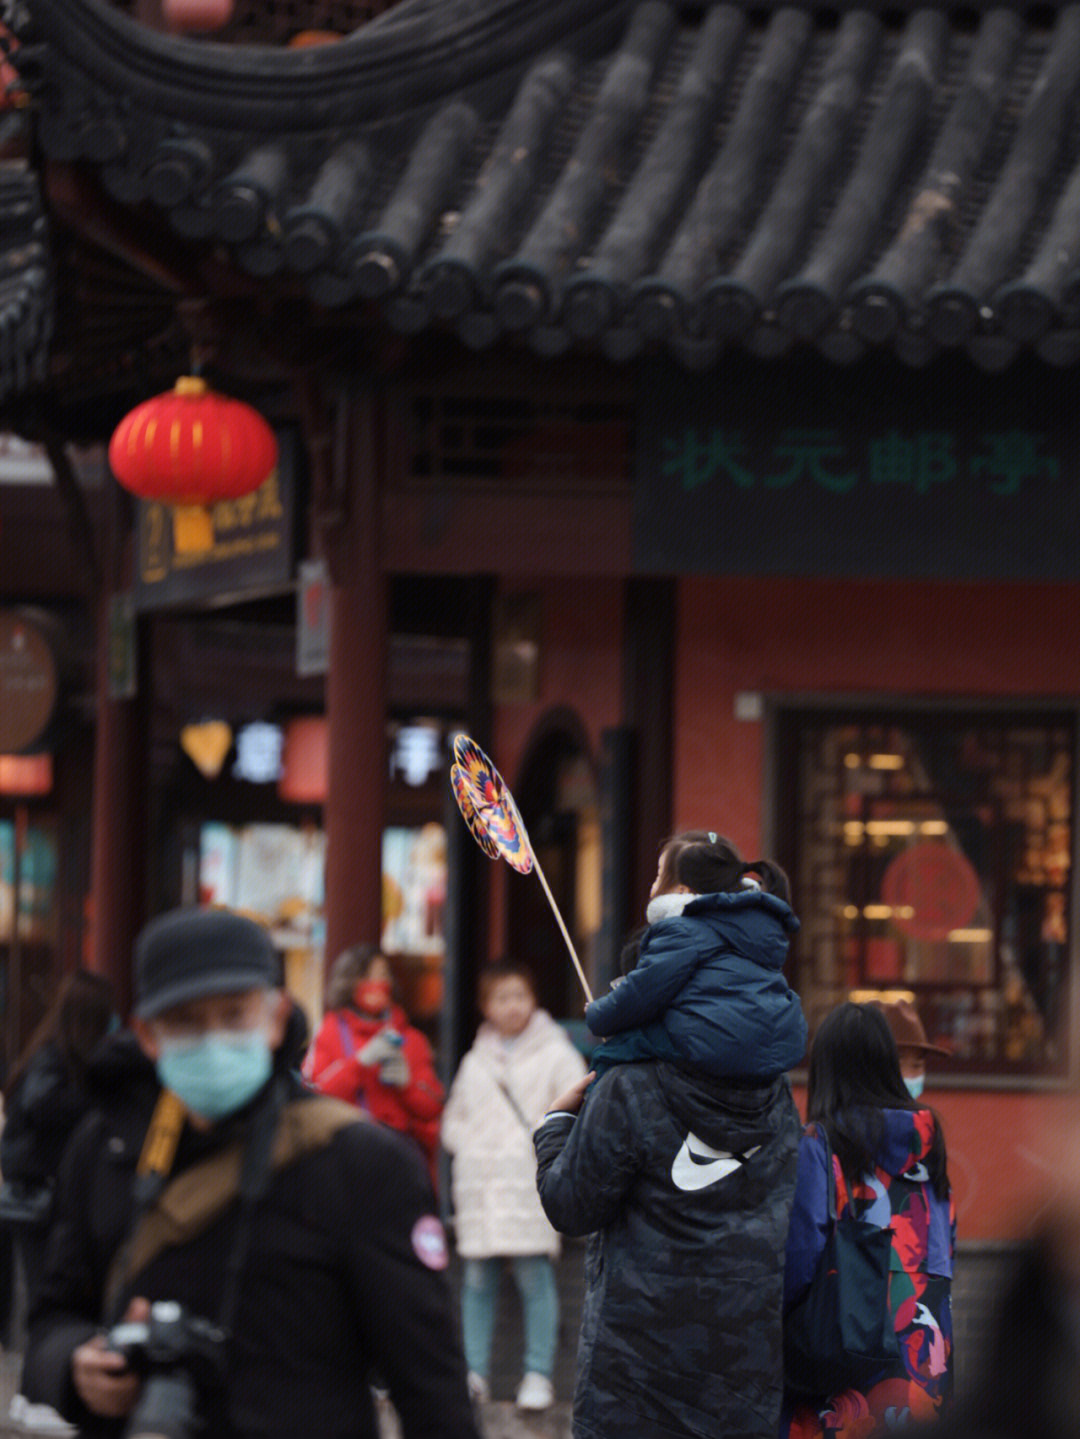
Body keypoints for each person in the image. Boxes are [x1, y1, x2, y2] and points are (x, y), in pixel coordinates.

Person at [19, 906, 480, 1439]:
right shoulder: (104, 1148)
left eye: (233, 1014)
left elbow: (431, 1384)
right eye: (186, 1021)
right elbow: (50, 1320)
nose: (212, 1039)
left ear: (276, 1017)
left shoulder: (359, 1163)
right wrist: (76, 1365)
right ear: (147, 1034)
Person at [534, 946, 802, 1437]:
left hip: (634, 1381)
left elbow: (569, 1205)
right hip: (743, 1378)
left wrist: (556, 1125)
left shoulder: (629, 1087)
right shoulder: (775, 1094)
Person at [781, 1002, 955, 1439]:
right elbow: (943, 1255)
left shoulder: (819, 1148)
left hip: (842, 1372)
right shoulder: (930, 1147)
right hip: (925, 1363)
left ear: (828, 1069)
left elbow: (799, 1267)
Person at [441, 962, 586, 1413]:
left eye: (519, 995)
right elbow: (455, 1119)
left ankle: (539, 1374)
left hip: (527, 1182)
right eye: (501, 997)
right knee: (478, 1280)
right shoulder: (475, 1058)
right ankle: (474, 1372)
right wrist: (471, 1147)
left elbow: (577, 1109)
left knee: (534, 1276)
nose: (512, 1006)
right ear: (485, 1006)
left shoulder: (558, 1053)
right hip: (483, 1185)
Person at [584, 830, 807, 1080]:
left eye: (659, 875)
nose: (652, 886)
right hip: (770, 1047)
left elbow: (640, 993)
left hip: (711, 1040)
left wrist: (597, 1013)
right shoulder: (759, 926)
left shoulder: (683, 931)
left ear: (682, 890)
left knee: (610, 1056)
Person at [303, 943, 444, 1184]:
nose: (376, 984)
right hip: (344, 1160)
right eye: (367, 976)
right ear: (349, 982)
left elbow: (433, 1107)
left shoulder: (412, 1039)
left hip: (399, 1162)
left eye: (382, 975)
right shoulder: (328, 1033)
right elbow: (313, 1095)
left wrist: (408, 1085)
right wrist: (358, 1064)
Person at [872, 997, 949, 1100]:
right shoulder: (850, 1114)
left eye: (917, 1065)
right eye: (897, 1065)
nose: (909, 1075)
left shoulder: (923, 1115)